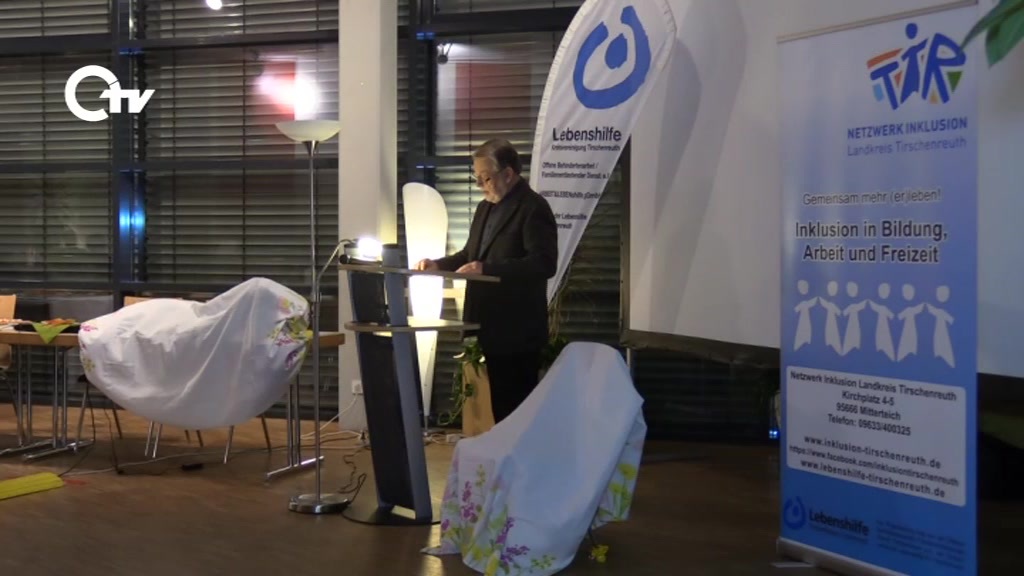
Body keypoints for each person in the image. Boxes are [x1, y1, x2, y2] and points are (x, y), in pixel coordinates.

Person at [416, 139, 557, 423]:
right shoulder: (485, 208)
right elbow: (470, 255)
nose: (480, 185)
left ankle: (518, 451)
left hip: (518, 328)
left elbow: (543, 263)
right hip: (490, 324)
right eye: (477, 178)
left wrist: (488, 268)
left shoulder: (533, 208)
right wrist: (437, 265)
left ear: (508, 174)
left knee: (517, 411)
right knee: (501, 408)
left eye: (486, 178)